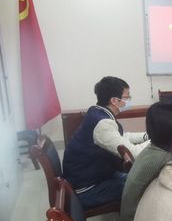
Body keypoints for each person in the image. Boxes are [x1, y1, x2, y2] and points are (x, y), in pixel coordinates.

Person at [63, 76, 148, 208]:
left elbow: (121, 137)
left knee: (138, 178)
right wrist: (159, 139)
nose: (129, 99)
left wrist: (147, 136)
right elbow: (134, 154)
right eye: (127, 97)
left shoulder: (97, 111)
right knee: (144, 185)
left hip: (91, 177)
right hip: (87, 190)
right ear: (114, 100)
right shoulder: (102, 124)